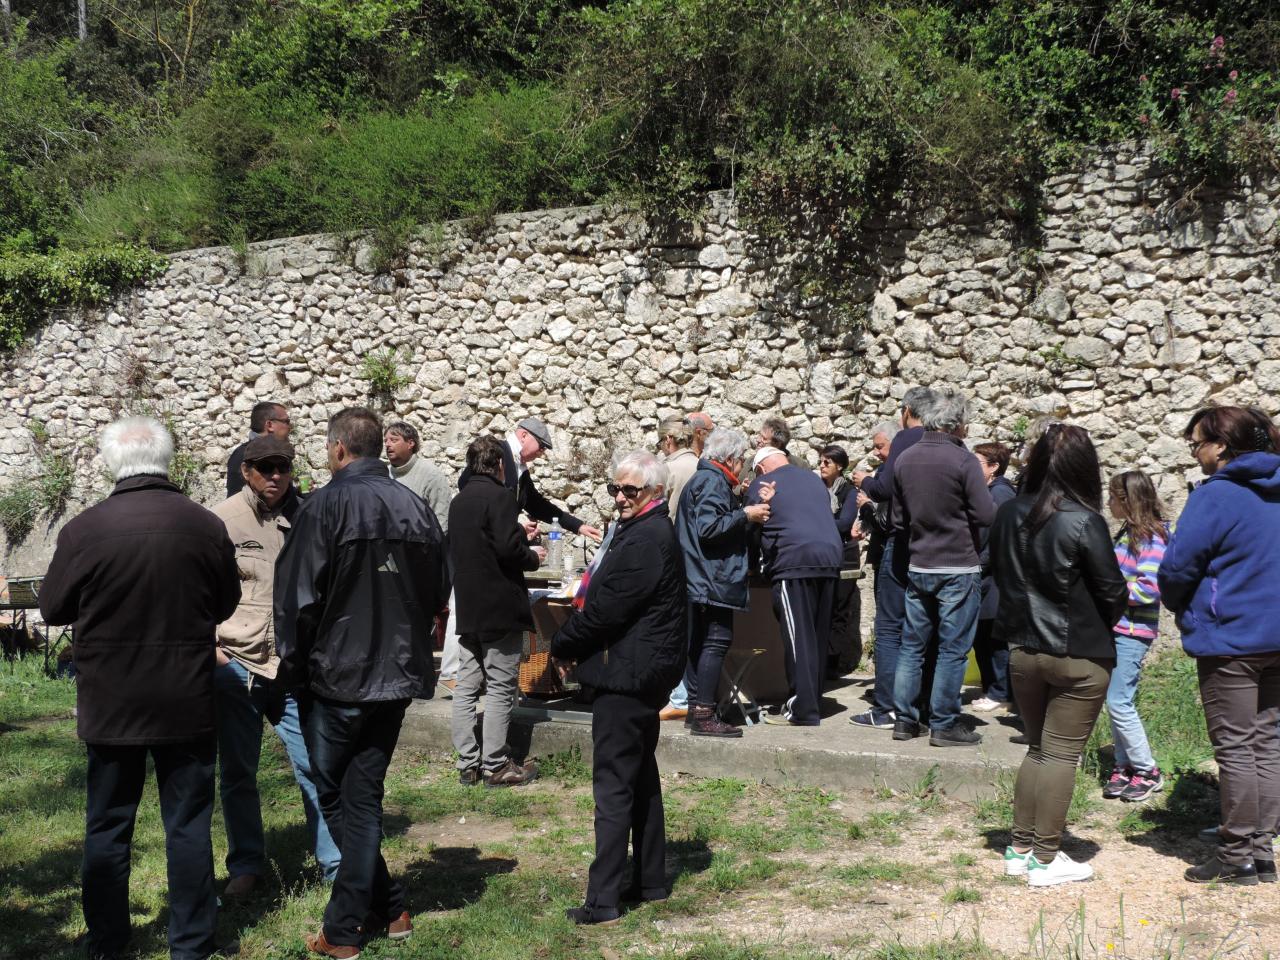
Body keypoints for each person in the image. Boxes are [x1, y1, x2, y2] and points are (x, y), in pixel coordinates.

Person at [39, 416, 241, 960]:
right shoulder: (204, 526)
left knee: (108, 824)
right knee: (188, 826)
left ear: (113, 463)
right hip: (186, 696)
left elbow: (53, 607)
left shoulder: (85, 530)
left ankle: (107, 940)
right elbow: (225, 602)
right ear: (166, 460)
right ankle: (192, 942)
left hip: (113, 700)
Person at [275, 407, 448, 957]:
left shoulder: (323, 506)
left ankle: (344, 926)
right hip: (395, 672)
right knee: (361, 794)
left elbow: (296, 599)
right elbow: (435, 590)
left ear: (339, 450)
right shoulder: (415, 506)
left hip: (338, 677)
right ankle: (391, 906)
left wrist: (291, 668)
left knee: (336, 795)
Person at [551, 451, 687, 926]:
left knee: (613, 787)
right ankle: (650, 881)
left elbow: (608, 609)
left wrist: (561, 641)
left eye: (631, 490)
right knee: (640, 779)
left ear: (654, 493)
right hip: (637, 672)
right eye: (616, 488)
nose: (621, 497)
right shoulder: (642, 532)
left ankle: (603, 900)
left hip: (628, 675)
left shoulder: (647, 538)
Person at [989, 423, 1127, 887]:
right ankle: (1047, 859)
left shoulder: (1007, 512)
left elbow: (999, 574)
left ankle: (1020, 847)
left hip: (1023, 650)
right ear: (1084, 468)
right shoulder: (1086, 519)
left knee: (1038, 749)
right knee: (1061, 755)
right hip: (1079, 653)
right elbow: (1112, 590)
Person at [212, 436, 340, 900]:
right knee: (239, 772)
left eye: (282, 467)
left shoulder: (308, 516)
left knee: (316, 766)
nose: (274, 476)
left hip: (291, 667)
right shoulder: (222, 521)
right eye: (265, 467)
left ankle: (335, 865)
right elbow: (199, 589)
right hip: (239, 664)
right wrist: (214, 648)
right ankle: (246, 866)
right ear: (246, 470)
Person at [1160, 406, 1280, 885]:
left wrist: (1179, 604)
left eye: (1196, 443)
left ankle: (1236, 858)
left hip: (1230, 640)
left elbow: (1176, 567)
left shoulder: (1217, 496)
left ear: (1221, 447)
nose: (1195, 452)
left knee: (1235, 747)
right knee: (1268, 744)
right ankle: (1262, 852)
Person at [442, 416, 603, 697]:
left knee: (475, 618)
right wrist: (514, 528)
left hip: (496, 548)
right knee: (462, 609)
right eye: (541, 446)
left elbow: (537, 504)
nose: (542, 453)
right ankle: (452, 673)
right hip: (477, 550)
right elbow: (472, 490)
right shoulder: (497, 454)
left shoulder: (519, 468)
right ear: (524, 435)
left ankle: (472, 677)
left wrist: (576, 524)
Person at [890, 390, 995, 746]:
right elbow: (985, 514)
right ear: (956, 424)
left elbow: (898, 518)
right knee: (952, 649)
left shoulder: (905, 457)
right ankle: (944, 723)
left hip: (919, 563)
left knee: (912, 645)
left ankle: (905, 721)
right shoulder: (963, 460)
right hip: (958, 565)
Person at [449, 434, 544, 787]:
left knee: (466, 686)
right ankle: (496, 764)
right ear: (500, 464)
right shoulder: (501, 497)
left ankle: (467, 762)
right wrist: (532, 554)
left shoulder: (459, 502)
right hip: (500, 604)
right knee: (502, 686)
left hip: (469, 605)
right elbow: (508, 549)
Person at [844, 388, 932, 729]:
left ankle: (886, 709)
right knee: (923, 626)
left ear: (906, 410)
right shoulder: (948, 443)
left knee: (890, 626)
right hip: (934, 547)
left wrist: (865, 484)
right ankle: (919, 706)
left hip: (900, 542)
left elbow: (885, 490)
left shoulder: (908, 439)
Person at [676, 428, 771, 737]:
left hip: (701, 576)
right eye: (741, 460)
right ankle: (704, 714)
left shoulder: (706, 480)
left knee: (700, 644)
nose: (742, 465)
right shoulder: (711, 481)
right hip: (711, 578)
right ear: (729, 459)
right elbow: (709, 528)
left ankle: (696, 710)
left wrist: (741, 502)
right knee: (715, 642)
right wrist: (746, 514)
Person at [748, 446, 843, 725]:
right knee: (817, 634)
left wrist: (753, 565)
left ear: (762, 468)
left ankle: (802, 709)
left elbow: (754, 525)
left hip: (794, 561)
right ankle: (813, 699)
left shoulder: (764, 483)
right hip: (830, 559)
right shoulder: (813, 479)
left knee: (798, 636)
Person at [1099, 470, 1169, 804]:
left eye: (1112, 497)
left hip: (1132, 630)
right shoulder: (1126, 533)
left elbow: (1149, 588)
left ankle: (1147, 771)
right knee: (1115, 701)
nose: (1108, 502)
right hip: (1117, 628)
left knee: (1119, 702)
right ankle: (1124, 766)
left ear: (1127, 500)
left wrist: (1107, 590)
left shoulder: (1151, 537)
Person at [970, 442, 1018, 713]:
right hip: (989, 573)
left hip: (994, 577)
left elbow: (994, 538)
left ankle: (1000, 691)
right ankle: (992, 688)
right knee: (984, 635)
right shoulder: (993, 492)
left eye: (977, 463)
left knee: (993, 637)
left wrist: (979, 564)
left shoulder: (999, 494)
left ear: (994, 467)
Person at [818, 444, 862, 676]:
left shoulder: (849, 492)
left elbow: (845, 523)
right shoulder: (814, 488)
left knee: (839, 609)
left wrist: (816, 526)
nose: (822, 465)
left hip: (845, 556)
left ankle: (832, 662)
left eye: (828, 462)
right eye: (821, 461)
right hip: (823, 555)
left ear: (840, 466)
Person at [385, 420, 452, 534]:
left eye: (394, 440)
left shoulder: (431, 475)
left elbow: (442, 521)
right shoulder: (383, 473)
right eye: (385, 441)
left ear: (410, 443)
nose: (387, 444)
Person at [227, 401, 292, 498]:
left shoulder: (280, 453)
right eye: (286, 422)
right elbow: (237, 498)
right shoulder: (243, 455)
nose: (289, 427)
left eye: (283, 467)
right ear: (270, 425)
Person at [658, 416, 699, 509]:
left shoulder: (667, 468)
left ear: (668, 439)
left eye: (660, 442)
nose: (660, 447)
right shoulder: (701, 464)